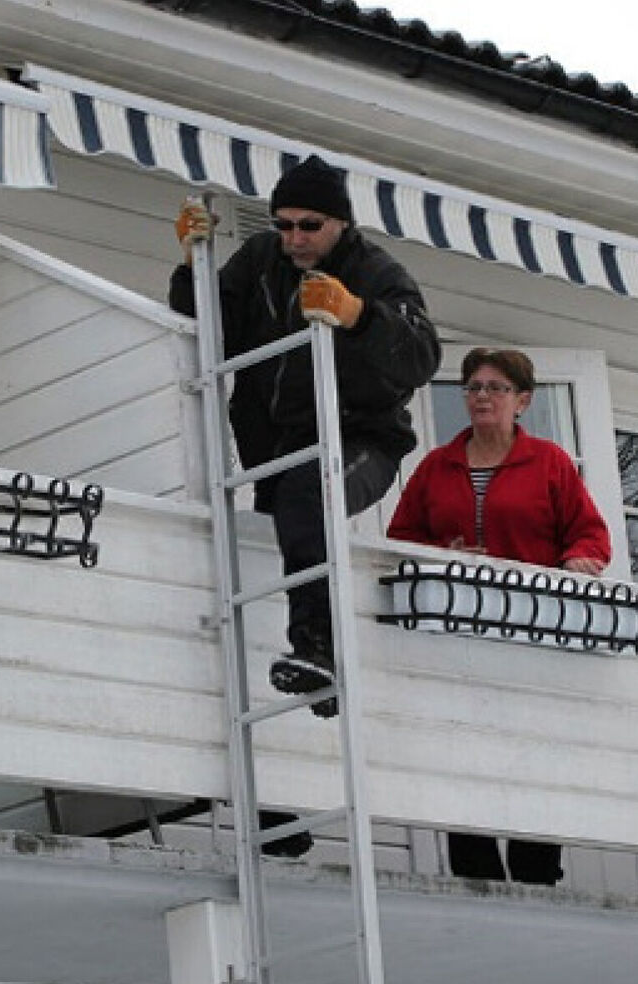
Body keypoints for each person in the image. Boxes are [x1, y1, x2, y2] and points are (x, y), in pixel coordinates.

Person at [169, 154, 442, 714]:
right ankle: (317, 676)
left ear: (340, 223)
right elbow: (209, 328)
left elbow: (421, 357)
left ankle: (317, 649)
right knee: (288, 522)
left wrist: (359, 314)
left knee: (307, 495)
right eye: (284, 224)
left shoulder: (378, 273)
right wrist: (191, 264)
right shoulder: (261, 261)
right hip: (275, 446)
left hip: (363, 440)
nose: (295, 238)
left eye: (309, 225)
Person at [387, 347, 611, 886]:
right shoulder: (435, 467)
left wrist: (580, 560)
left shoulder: (550, 461)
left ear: (523, 400)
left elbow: (589, 532)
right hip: (457, 636)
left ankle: (536, 875)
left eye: (496, 387)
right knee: (465, 747)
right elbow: (400, 541)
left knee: (534, 751)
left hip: (532, 633)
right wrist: (446, 558)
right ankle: (475, 873)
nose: (482, 396)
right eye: (473, 387)